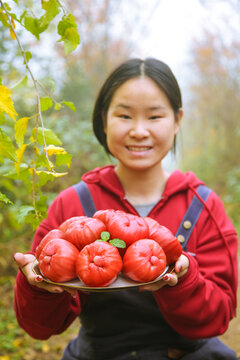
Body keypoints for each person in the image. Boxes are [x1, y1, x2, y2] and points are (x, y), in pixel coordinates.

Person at [13, 58, 238, 360]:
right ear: (104, 120)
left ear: (177, 120)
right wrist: (37, 287)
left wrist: (184, 280)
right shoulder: (71, 205)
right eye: (124, 116)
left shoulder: (203, 206)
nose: (139, 131)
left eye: (155, 116)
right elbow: (39, 327)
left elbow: (219, 317)